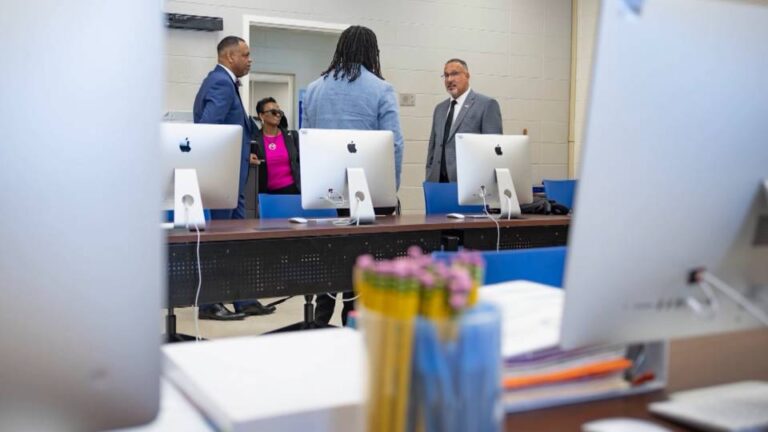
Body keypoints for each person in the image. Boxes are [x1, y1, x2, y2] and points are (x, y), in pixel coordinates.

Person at [301, 25, 404, 326]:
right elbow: (394, 143)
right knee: (361, 257)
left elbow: (304, 141)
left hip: (324, 194)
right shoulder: (380, 89)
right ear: (371, 52)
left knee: (329, 254)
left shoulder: (314, 88)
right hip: (368, 194)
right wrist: (389, 191)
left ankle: (320, 318)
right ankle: (352, 319)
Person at [192, 36, 275, 320]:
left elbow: (231, 126)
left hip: (233, 176)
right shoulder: (220, 83)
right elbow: (208, 130)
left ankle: (243, 298)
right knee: (219, 240)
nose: (250, 59)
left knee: (236, 240)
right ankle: (209, 304)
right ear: (229, 57)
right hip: (221, 178)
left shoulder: (224, 82)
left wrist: (243, 155)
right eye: (246, 55)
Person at [425, 58, 503, 183]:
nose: (449, 79)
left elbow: (493, 152)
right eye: (446, 75)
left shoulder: (486, 105)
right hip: (437, 184)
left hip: (469, 183)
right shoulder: (439, 109)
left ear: (467, 76)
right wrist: (429, 174)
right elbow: (432, 148)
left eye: (455, 74)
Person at [250, 97, 300, 194]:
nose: (278, 114)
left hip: (292, 192)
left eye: (279, 111)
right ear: (261, 115)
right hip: (265, 194)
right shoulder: (254, 140)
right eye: (273, 111)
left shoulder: (292, 136)